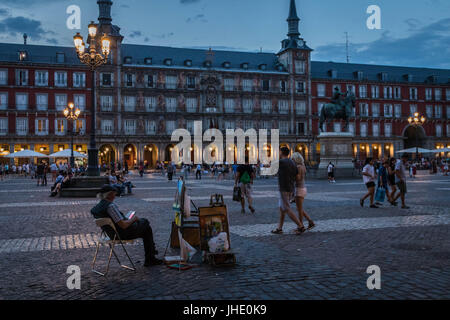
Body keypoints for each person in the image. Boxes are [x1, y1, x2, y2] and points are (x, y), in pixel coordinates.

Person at [91, 185, 162, 267]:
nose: (115, 196)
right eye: (114, 194)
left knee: (146, 230)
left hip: (111, 234)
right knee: (145, 222)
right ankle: (151, 257)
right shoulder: (110, 206)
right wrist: (133, 220)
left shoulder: (97, 208)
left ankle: (151, 255)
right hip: (121, 234)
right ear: (109, 194)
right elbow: (123, 225)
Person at [272, 147, 305, 235]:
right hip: (290, 188)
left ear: (282, 152)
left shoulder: (281, 162)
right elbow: (297, 176)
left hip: (284, 188)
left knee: (286, 208)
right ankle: (279, 228)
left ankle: (300, 225)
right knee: (281, 208)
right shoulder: (292, 162)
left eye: (279, 152)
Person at [292, 152, 315, 230]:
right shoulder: (303, 166)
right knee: (299, 208)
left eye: (293, 159)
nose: (292, 160)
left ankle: (300, 226)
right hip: (303, 188)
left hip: (299, 189)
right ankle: (310, 222)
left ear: (295, 159)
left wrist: (291, 176)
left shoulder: (298, 167)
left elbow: (298, 178)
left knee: (299, 209)